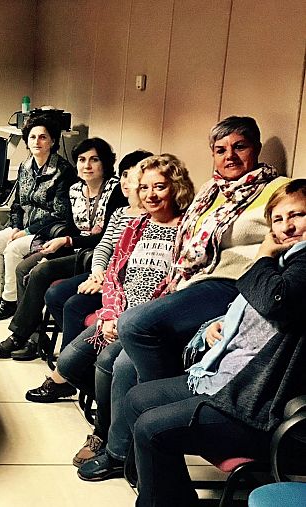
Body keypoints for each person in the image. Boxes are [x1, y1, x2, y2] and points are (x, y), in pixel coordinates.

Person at [80, 118, 288, 481]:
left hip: (232, 287)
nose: (230, 156)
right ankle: (121, 452)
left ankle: (162, 412)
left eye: (240, 147)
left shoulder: (276, 189)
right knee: (125, 361)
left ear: (255, 149)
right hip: (192, 284)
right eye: (220, 149)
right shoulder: (214, 190)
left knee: (135, 323)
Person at [126, 179, 306, 506]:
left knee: (151, 429)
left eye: (298, 215)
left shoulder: (300, 264)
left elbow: (277, 300)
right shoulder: (288, 263)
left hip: (263, 405)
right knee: (138, 398)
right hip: (233, 382)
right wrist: (218, 324)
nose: (287, 226)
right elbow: (257, 309)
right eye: (277, 219)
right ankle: (168, 496)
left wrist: (263, 255)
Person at [23, 157, 193, 473]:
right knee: (69, 361)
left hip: (149, 324)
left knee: (108, 365)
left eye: (160, 186)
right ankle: (114, 416)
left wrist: (131, 320)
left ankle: (105, 434)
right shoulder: (135, 226)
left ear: (176, 188)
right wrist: (110, 314)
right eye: (145, 187)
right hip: (118, 315)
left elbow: (181, 285)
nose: (151, 194)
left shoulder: (187, 230)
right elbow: (114, 273)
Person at [0, 137, 127, 359]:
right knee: (25, 268)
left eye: (94, 160)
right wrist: (64, 243)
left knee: (42, 272)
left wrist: (70, 241)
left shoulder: (115, 191)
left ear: (106, 164)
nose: (87, 165)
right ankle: (34, 336)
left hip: (94, 256)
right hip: (76, 249)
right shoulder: (76, 190)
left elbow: (105, 239)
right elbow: (73, 228)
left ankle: (19, 337)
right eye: (82, 160)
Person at [0, 113, 75, 321]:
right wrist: (16, 226)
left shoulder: (63, 171)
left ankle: (10, 301)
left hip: (47, 232)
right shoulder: (26, 167)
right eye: (32, 137)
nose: (37, 142)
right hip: (23, 227)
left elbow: (60, 214)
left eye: (43, 137)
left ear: (52, 140)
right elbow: (17, 203)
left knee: (13, 249)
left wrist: (27, 231)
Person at [43, 150, 152, 352]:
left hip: (120, 281)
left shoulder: (151, 217)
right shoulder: (120, 212)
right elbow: (104, 245)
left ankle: (73, 360)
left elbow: (133, 261)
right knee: (55, 294)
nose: (126, 182)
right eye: (124, 175)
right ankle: (78, 352)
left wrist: (105, 281)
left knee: (74, 304)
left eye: (133, 176)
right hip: (103, 273)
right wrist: (97, 272)